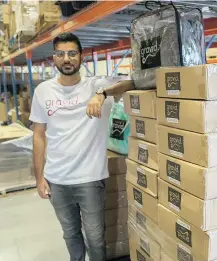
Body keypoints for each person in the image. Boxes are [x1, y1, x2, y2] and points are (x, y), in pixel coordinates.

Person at [29, 32, 134, 261]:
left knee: (95, 237)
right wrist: (39, 178)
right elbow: (38, 136)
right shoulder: (43, 91)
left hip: (90, 178)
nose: (67, 59)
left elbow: (131, 82)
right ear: (54, 58)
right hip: (57, 179)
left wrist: (101, 94)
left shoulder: (96, 85)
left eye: (72, 53)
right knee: (70, 234)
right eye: (60, 54)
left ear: (81, 57)